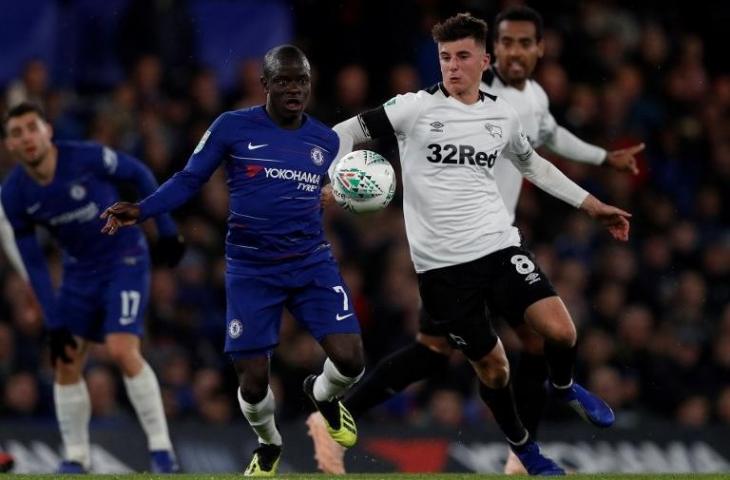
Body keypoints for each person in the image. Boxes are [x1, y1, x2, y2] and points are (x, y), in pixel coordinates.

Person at [308, 5, 647, 476]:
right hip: (444, 271)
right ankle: (526, 450)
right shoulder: (413, 107)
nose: (451, 66)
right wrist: (328, 176)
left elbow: (536, 166)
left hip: (499, 246)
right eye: (445, 56)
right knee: (495, 369)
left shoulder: (501, 116)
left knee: (561, 331)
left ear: (484, 61)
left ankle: (565, 386)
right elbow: (346, 132)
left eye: (462, 56)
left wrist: (592, 206)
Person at [101, 45, 366, 477]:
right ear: (264, 85)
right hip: (251, 269)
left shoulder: (325, 139)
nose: (294, 89)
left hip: (309, 263)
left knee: (352, 359)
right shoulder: (232, 126)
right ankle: (269, 442)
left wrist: (348, 195)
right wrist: (144, 209)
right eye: (283, 80)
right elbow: (190, 178)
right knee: (253, 381)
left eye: (301, 80)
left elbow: (333, 190)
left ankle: (322, 395)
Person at [1, 102, 184, 474]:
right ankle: (76, 456)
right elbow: (32, 259)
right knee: (65, 359)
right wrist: (52, 321)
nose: (27, 138)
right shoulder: (14, 193)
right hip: (78, 273)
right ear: (10, 146)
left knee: (121, 348)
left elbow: (140, 173)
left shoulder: (85, 157)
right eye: (17, 133)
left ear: (47, 130)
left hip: (125, 258)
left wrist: (165, 230)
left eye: (31, 128)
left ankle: (162, 452)